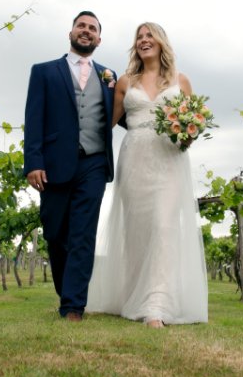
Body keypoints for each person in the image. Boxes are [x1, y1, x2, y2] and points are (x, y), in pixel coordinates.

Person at [86, 22, 209, 328]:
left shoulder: (181, 82)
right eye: (139, 37)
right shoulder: (125, 82)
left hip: (168, 160)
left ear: (161, 42)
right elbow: (106, 125)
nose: (144, 40)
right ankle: (133, 298)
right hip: (134, 159)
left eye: (149, 35)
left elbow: (190, 126)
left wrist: (189, 135)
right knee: (138, 232)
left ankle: (157, 306)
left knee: (163, 227)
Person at [23, 11, 118, 321]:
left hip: (93, 163)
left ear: (99, 39)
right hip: (53, 165)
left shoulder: (109, 77)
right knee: (55, 233)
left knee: (82, 235)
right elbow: (33, 119)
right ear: (71, 32)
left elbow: (125, 114)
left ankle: (73, 306)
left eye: (92, 28)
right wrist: (33, 162)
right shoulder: (44, 72)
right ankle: (66, 291)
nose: (86, 31)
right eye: (82, 26)